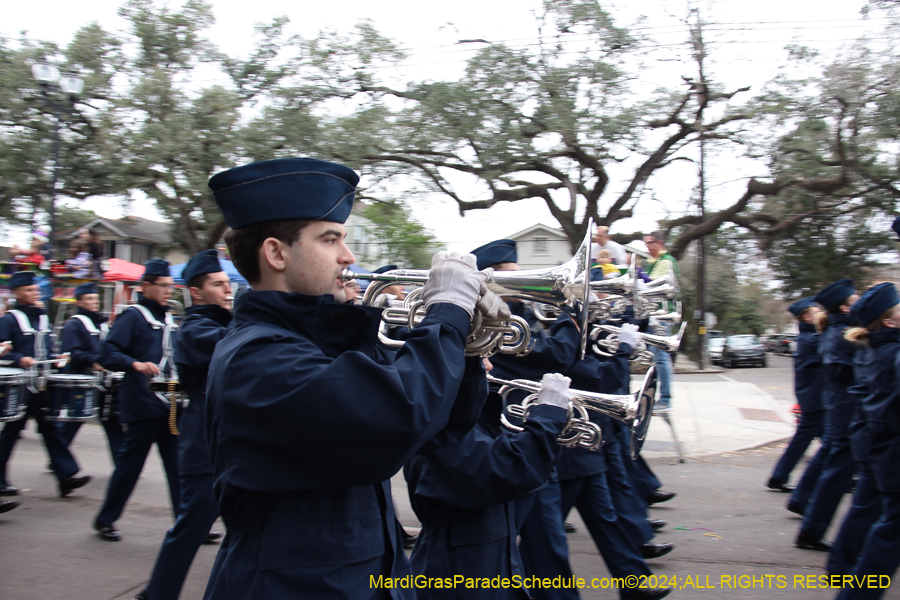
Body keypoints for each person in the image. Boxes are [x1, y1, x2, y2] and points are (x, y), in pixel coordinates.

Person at [201, 157, 506, 598]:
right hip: (292, 585)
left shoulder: (319, 341)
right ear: (275, 253)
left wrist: (468, 349)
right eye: (330, 239)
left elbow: (442, 426)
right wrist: (447, 317)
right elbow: (398, 417)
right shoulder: (257, 358)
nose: (348, 256)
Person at [404, 366, 570, 600]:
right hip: (458, 566)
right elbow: (500, 469)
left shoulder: (460, 406)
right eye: (481, 356)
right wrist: (547, 419)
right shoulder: (439, 409)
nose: (490, 365)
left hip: (484, 554)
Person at [135, 250, 232, 600]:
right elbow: (233, 347)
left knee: (242, 531)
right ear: (196, 292)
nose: (227, 290)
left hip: (229, 442)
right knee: (191, 526)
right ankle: (157, 594)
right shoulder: (195, 329)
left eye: (227, 283)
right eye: (218, 284)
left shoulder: (226, 322)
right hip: (204, 444)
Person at [94, 259, 180, 542]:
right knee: (130, 468)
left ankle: (187, 524)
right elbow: (106, 354)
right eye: (164, 286)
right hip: (142, 406)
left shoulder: (168, 318)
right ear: (146, 286)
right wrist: (134, 364)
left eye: (171, 286)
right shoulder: (133, 315)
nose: (169, 291)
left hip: (169, 405)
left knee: (179, 468)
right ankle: (105, 520)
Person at [835, 283, 900, 600]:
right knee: (889, 527)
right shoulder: (890, 351)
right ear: (889, 321)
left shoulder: (878, 346)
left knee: (875, 514)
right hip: (888, 446)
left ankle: (842, 569)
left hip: (878, 441)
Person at [0, 271, 91, 497]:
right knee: (10, 435)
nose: (35, 293)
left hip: (42, 384)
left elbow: (48, 349)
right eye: (29, 290)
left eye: (36, 290)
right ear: (17, 294)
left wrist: (59, 357)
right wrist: (17, 358)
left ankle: (66, 476)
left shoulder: (42, 318)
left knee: (51, 430)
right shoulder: (9, 319)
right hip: (20, 386)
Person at [794, 279, 859, 551]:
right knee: (837, 474)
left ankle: (805, 512)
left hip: (842, 409)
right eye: (854, 302)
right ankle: (813, 531)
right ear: (844, 308)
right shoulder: (841, 334)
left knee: (834, 466)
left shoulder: (838, 331)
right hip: (847, 410)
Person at [58, 283, 123, 466]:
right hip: (83, 379)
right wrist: (93, 361)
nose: (94, 302)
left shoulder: (102, 324)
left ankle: (121, 463)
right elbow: (72, 353)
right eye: (89, 299)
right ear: (79, 302)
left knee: (111, 421)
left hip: (105, 381)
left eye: (96, 298)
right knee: (73, 422)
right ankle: (59, 458)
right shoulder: (74, 324)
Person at [767, 297, 825, 492]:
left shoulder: (809, 338)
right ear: (808, 318)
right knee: (809, 441)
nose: (822, 314)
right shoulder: (813, 340)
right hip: (816, 400)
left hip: (814, 398)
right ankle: (779, 477)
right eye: (818, 312)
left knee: (833, 442)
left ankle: (779, 477)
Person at [641, 231, 678, 411]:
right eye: (645, 243)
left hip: (662, 315)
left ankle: (665, 400)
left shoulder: (665, 261)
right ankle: (661, 398)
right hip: (654, 314)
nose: (647, 246)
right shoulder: (652, 262)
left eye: (650, 242)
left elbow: (653, 286)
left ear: (660, 242)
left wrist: (639, 275)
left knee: (661, 358)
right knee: (657, 358)